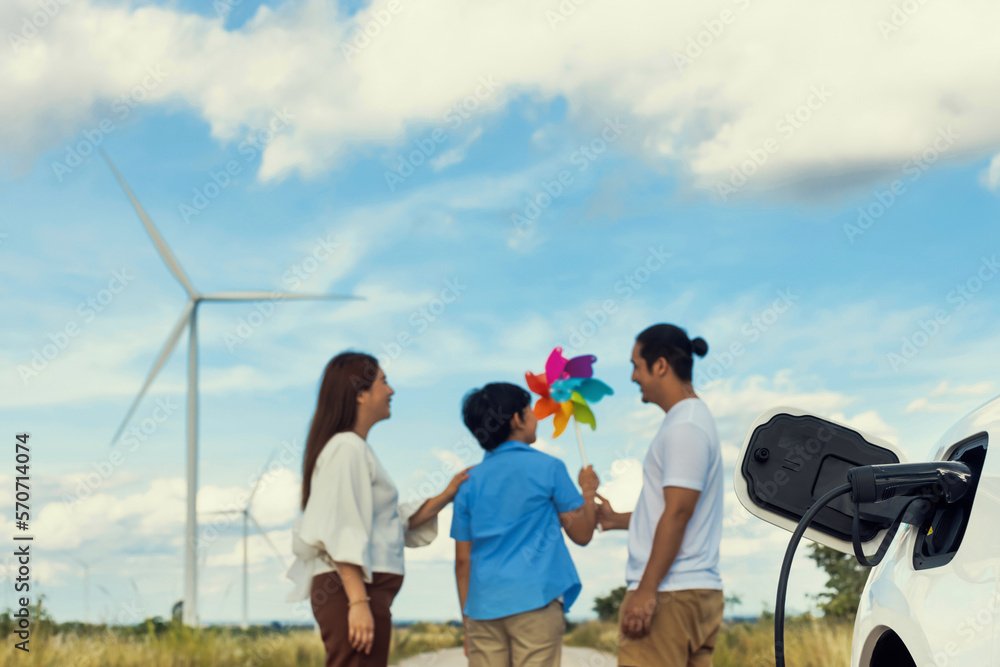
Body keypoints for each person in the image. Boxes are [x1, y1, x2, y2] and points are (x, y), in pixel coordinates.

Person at [285, 351, 471, 667]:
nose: (391, 391)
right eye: (384, 381)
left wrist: (447, 494)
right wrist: (358, 601)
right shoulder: (347, 448)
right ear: (360, 394)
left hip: (362, 592)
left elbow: (389, 523)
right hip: (352, 591)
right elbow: (342, 528)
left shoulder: (354, 449)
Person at [595, 324, 724, 667]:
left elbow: (679, 512)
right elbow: (674, 509)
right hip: (692, 592)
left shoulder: (685, 426)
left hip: (671, 593)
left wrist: (646, 590)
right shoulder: (691, 420)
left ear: (661, 365)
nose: (634, 376)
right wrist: (617, 520)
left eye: (636, 364)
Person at [451, 381, 600, 667]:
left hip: (482, 608)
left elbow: (462, 562)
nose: (535, 417)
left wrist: (467, 621)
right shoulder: (549, 468)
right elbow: (582, 534)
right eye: (530, 410)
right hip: (536, 601)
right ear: (517, 419)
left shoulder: (469, 483)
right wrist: (588, 492)